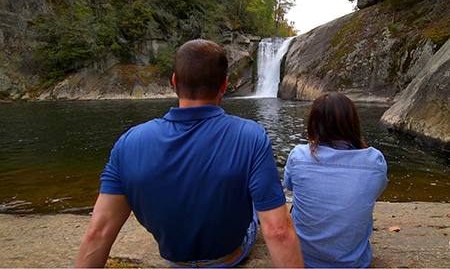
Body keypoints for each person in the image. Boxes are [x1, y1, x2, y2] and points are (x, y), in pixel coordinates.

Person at [75, 39, 304, 268]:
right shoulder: (251, 136)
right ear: (224, 85)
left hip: (176, 260)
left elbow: (99, 232)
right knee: (257, 199)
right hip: (228, 257)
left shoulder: (128, 142)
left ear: (174, 82)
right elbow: (279, 230)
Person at [284, 92, 388, 268]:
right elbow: (375, 191)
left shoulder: (298, 156)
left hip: (304, 259)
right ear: (354, 123)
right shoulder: (375, 160)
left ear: (313, 124)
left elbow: (288, 184)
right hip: (353, 262)